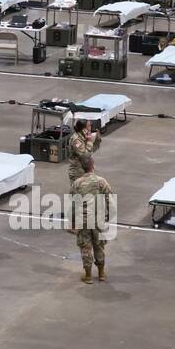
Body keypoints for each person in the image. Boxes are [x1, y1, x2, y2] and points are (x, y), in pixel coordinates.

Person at [70, 155, 113, 284]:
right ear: (92, 165)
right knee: (99, 246)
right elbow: (110, 199)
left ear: (82, 168)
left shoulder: (77, 183)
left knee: (86, 247)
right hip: (98, 219)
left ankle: (88, 275)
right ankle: (101, 273)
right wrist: (109, 216)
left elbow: (73, 204)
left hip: (83, 221)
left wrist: (72, 221)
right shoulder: (101, 181)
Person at [67, 118, 100, 184]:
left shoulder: (84, 137)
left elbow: (92, 150)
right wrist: (90, 141)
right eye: (89, 126)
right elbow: (85, 155)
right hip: (77, 172)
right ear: (83, 129)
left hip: (85, 170)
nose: (90, 128)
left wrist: (97, 140)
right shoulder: (76, 140)